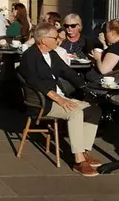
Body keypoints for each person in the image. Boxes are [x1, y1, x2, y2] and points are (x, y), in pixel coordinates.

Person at [19, 22, 102, 177]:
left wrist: (85, 88)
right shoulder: (30, 56)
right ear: (43, 40)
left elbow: (68, 72)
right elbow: (34, 82)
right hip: (43, 101)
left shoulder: (51, 53)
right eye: (55, 37)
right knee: (75, 112)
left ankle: (83, 151)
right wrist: (59, 99)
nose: (59, 40)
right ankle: (78, 161)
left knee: (94, 110)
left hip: (59, 97)